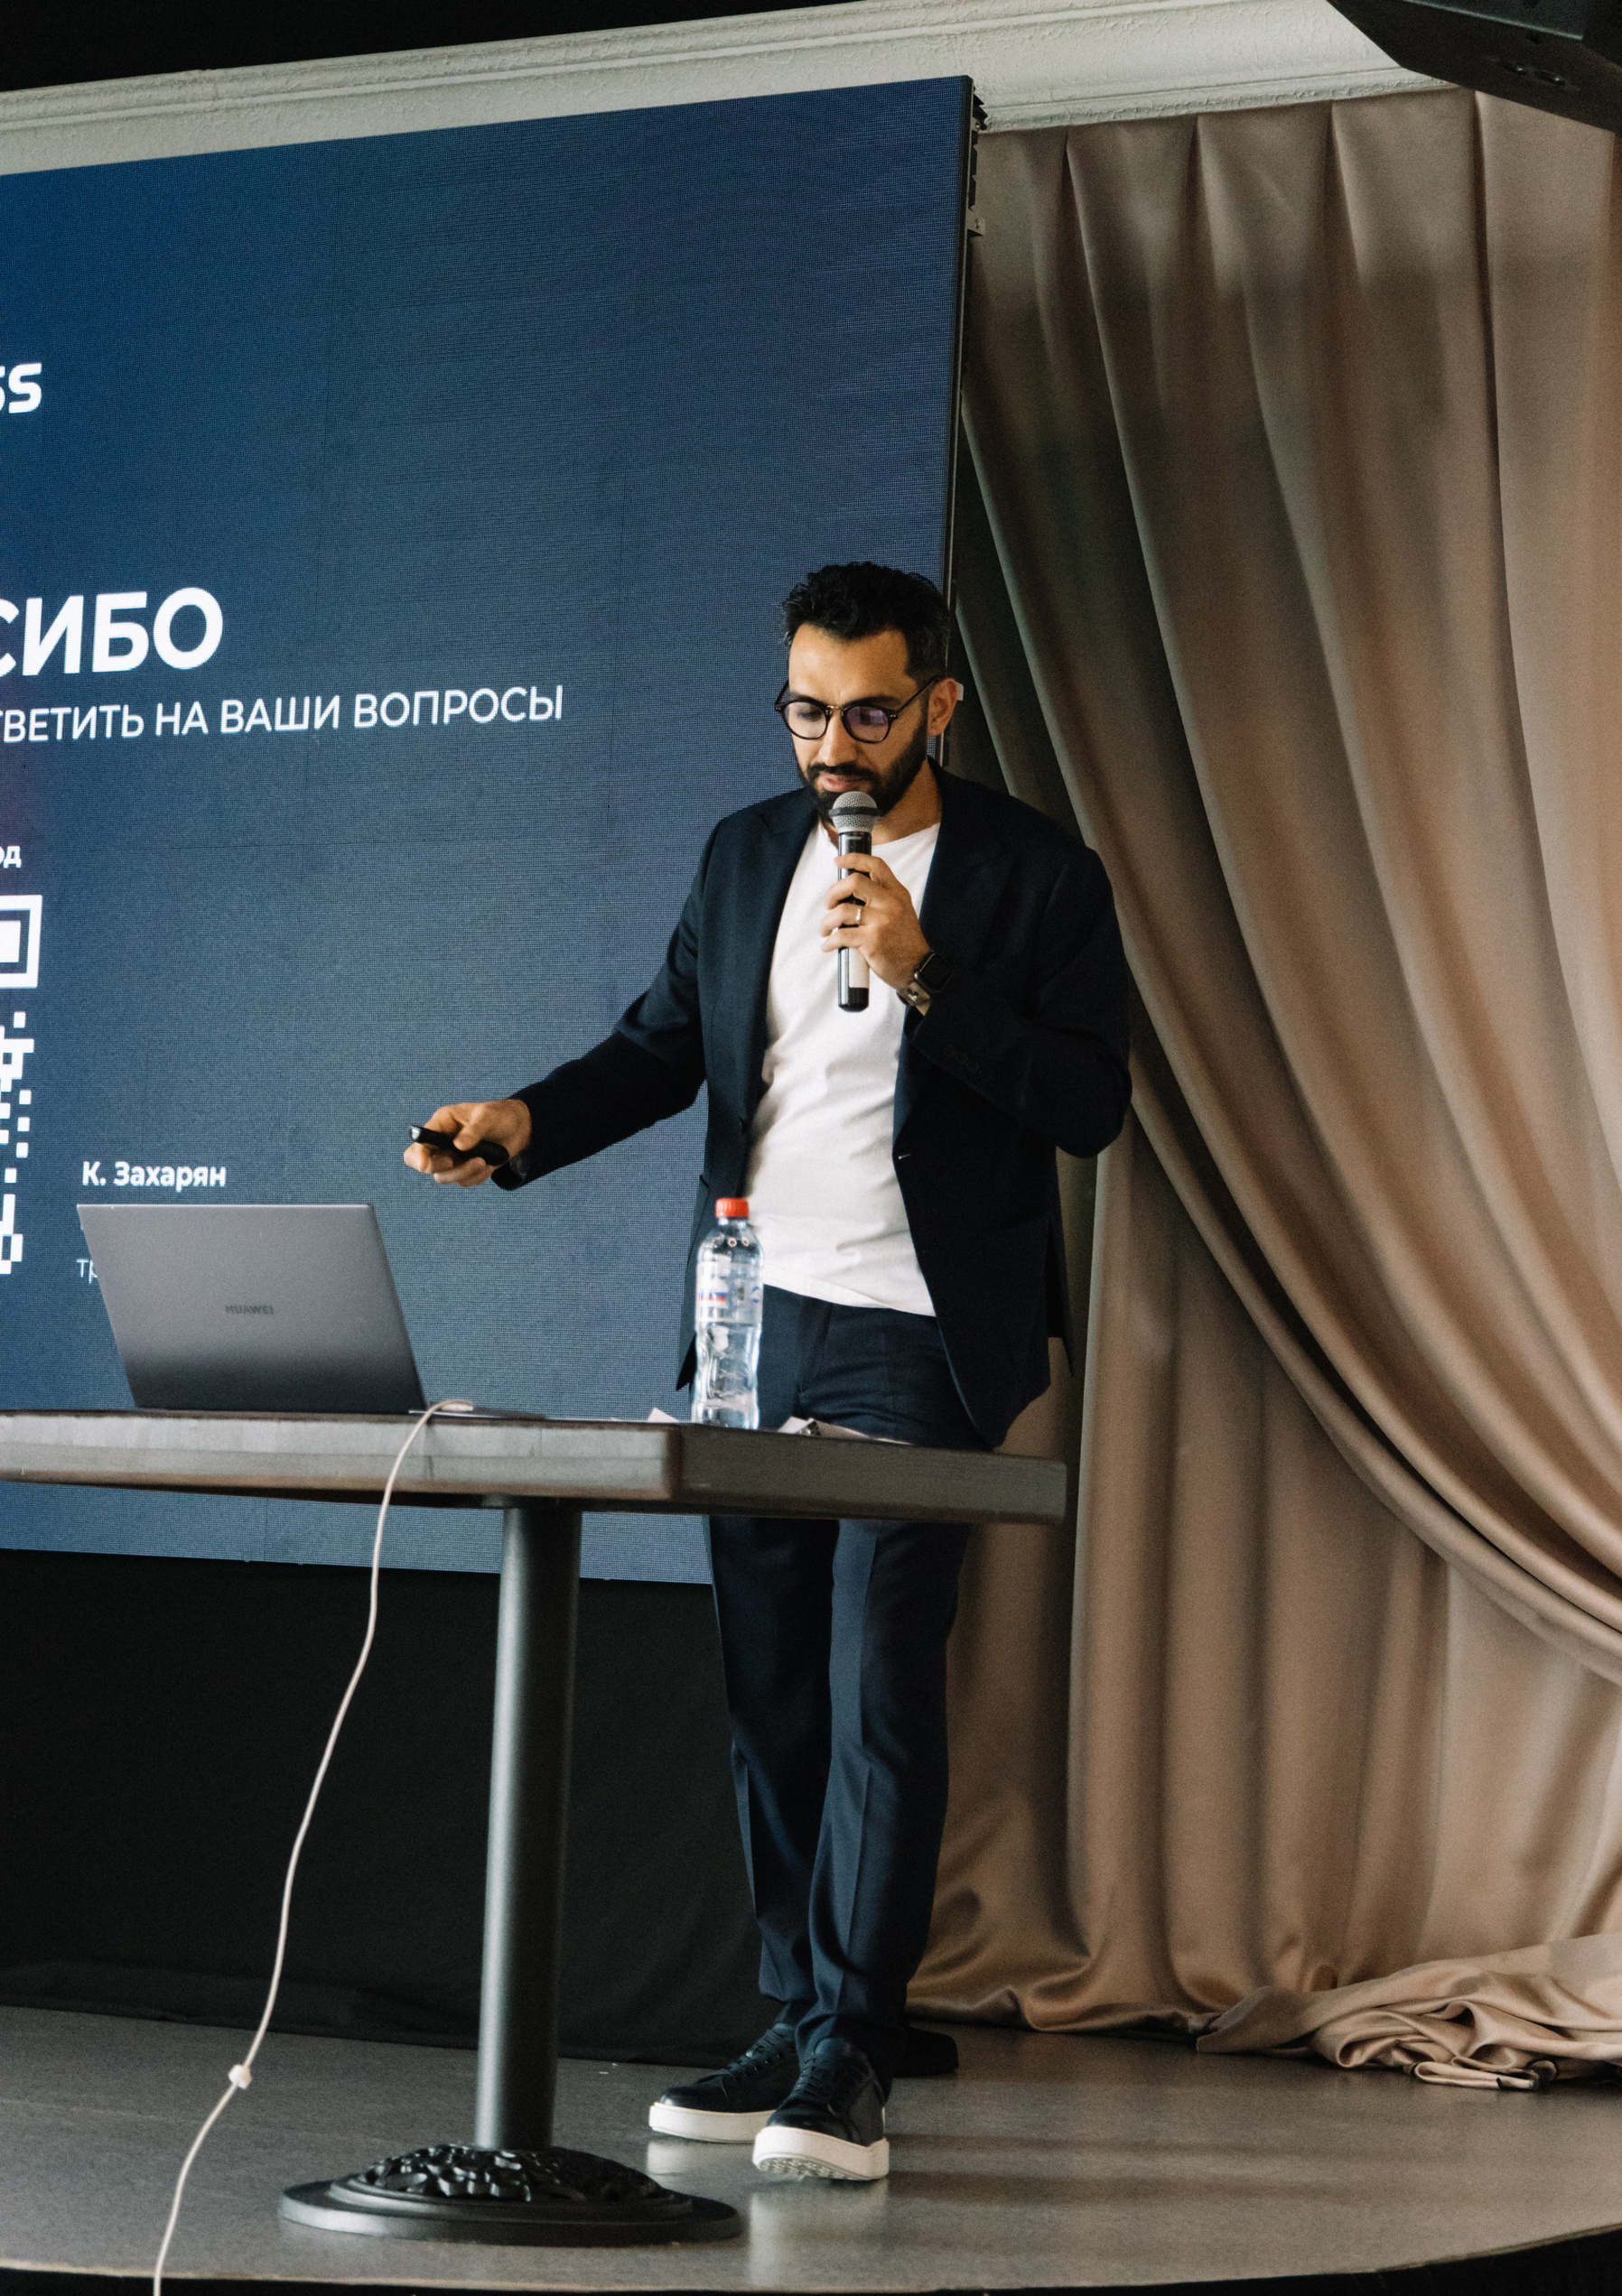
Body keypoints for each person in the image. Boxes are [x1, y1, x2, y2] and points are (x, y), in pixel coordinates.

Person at [407, 562, 1130, 2181]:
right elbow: (664, 1047)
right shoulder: (746, 854)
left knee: (880, 1682)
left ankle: (854, 2052)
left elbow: (1090, 1104)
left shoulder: (1034, 875)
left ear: (938, 704)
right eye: (806, 712)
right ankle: (795, 2014)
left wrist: (928, 973)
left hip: (920, 1327)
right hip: (754, 1316)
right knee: (775, 1687)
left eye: (866, 715)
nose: (832, 747)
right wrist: (525, 1122)